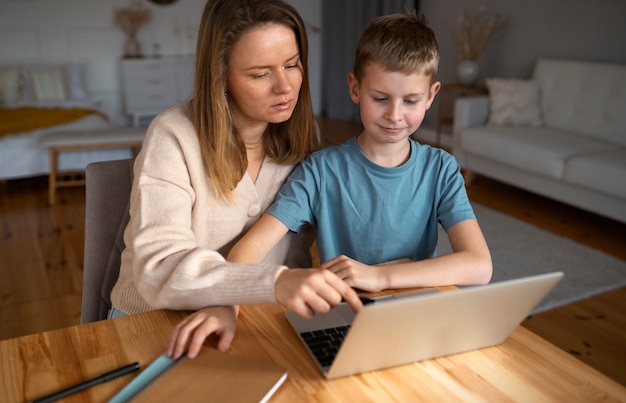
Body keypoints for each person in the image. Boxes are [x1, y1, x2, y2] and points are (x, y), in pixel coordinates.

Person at [168, 11, 493, 359]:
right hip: (345, 315)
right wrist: (226, 306)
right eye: (380, 98)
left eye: (410, 101)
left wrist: (379, 277)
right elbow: (248, 251)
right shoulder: (320, 170)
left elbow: (479, 265)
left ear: (431, 96)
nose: (395, 115)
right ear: (355, 88)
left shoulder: (441, 169)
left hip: (412, 313)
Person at [109, 0, 362, 355]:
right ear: (220, 75)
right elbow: (159, 265)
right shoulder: (173, 135)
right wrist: (273, 282)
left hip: (263, 319)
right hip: (155, 322)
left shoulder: (304, 136)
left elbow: (304, 251)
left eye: (292, 64)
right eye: (260, 74)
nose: (285, 87)